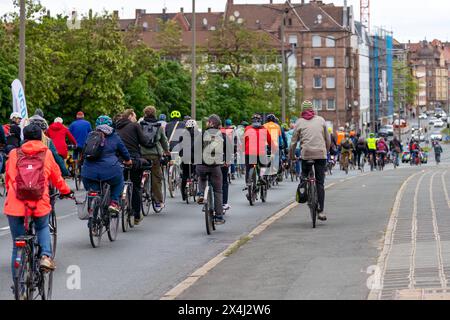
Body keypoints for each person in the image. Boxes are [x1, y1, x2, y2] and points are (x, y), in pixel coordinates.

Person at [4, 124, 72, 274]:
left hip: (15, 205)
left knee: (18, 244)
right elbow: (57, 178)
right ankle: (45, 256)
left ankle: (19, 289)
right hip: (38, 203)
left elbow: (8, 178)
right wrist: (66, 191)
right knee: (42, 227)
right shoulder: (46, 153)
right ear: (41, 137)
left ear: (24, 137)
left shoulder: (14, 153)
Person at [82, 116, 132, 215]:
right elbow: (124, 152)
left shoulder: (90, 135)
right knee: (119, 181)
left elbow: (85, 151)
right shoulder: (115, 137)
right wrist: (128, 161)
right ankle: (114, 202)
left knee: (93, 192)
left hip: (89, 172)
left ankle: (93, 216)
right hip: (110, 170)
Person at [289, 101, 331, 221]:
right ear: (313, 109)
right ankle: (321, 211)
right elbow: (327, 139)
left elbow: (293, 142)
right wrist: (326, 151)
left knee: (304, 175)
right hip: (320, 154)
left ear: (302, 110)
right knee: (320, 183)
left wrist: (291, 156)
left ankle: (304, 188)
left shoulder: (299, 122)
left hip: (306, 154)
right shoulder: (321, 120)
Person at [115, 109, 154, 223]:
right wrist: (150, 143)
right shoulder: (135, 126)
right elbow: (143, 141)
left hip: (119, 160)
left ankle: (116, 207)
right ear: (130, 116)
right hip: (134, 160)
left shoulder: (116, 127)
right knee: (136, 186)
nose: (136, 119)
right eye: (135, 116)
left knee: (118, 185)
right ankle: (136, 215)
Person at [195, 115, 229, 225]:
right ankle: (219, 217)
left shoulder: (202, 134)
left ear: (210, 123)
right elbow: (228, 149)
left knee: (201, 177)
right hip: (215, 166)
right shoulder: (223, 135)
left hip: (202, 164)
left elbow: (193, 148)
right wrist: (226, 161)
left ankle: (201, 194)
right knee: (218, 191)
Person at [140, 106, 170, 210]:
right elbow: (164, 142)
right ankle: (158, 202)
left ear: (145, 114)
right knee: (157, 178)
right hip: (155, 155)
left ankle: (141, 190)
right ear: (154, 113)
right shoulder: (159, 127)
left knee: (139, 173)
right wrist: (166, 151)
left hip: (142, 154)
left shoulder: (140, 125)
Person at [244, 113, 272, 185]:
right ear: (260, 121)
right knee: (263, 164)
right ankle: (261, 177)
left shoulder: (247, 128)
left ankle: (248, 181)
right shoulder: (264, 129)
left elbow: (243, 140)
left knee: (248, 167)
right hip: (260, 152)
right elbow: (270, 141)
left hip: (249, 152)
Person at [180, 119, 200, 202]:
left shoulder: (183, 134)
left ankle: (184, 195)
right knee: (197, 169)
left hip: (185, 156)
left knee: (184, 175)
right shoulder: (199, 134)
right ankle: (195, 177)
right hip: (195, 157)